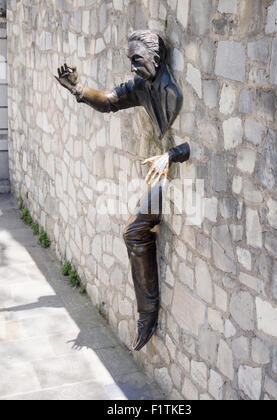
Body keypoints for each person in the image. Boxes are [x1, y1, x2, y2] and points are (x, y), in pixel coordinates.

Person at [56, 30, 190, 351]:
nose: (133, 68)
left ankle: (148, 315)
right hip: (161, 172)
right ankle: (147, 314)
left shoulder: (174, 92)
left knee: (133, 231)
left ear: (155, 58)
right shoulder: (142, 86)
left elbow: (204, 146)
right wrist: (78, 88)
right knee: (133, 231)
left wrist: (170, 155)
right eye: (131, 61)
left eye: (137, 60)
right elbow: (109, 101)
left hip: (175, 171)